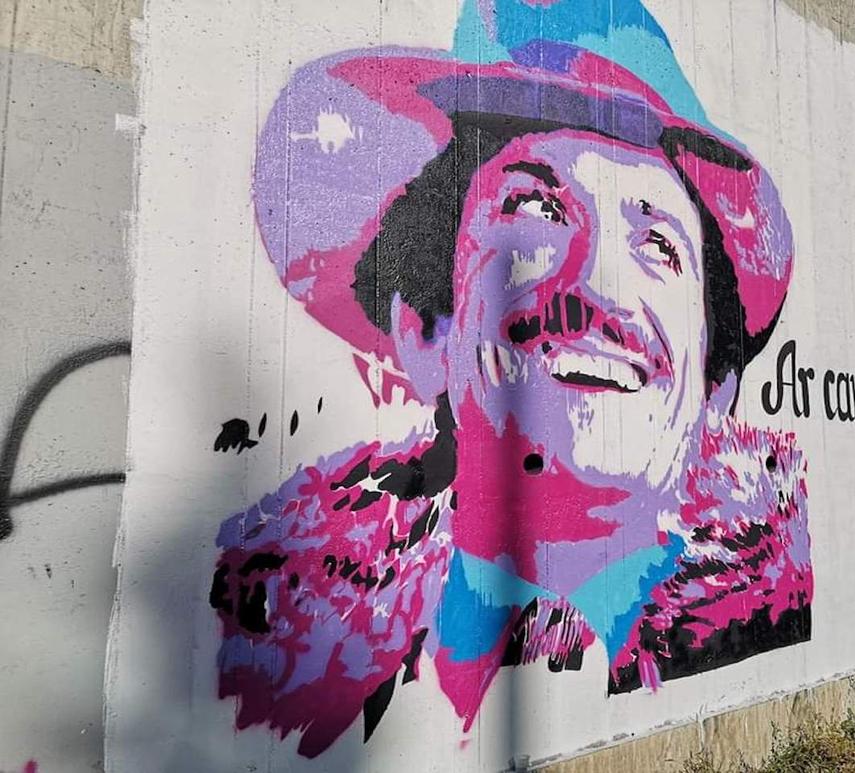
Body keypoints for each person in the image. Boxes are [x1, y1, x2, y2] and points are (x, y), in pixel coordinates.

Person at [208, 39, 812, 759]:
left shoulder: (763, 619)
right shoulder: (285, 646)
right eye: (536, 208)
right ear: (425, 331)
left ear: (716, 388)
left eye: (659, 245)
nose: (600, 285)